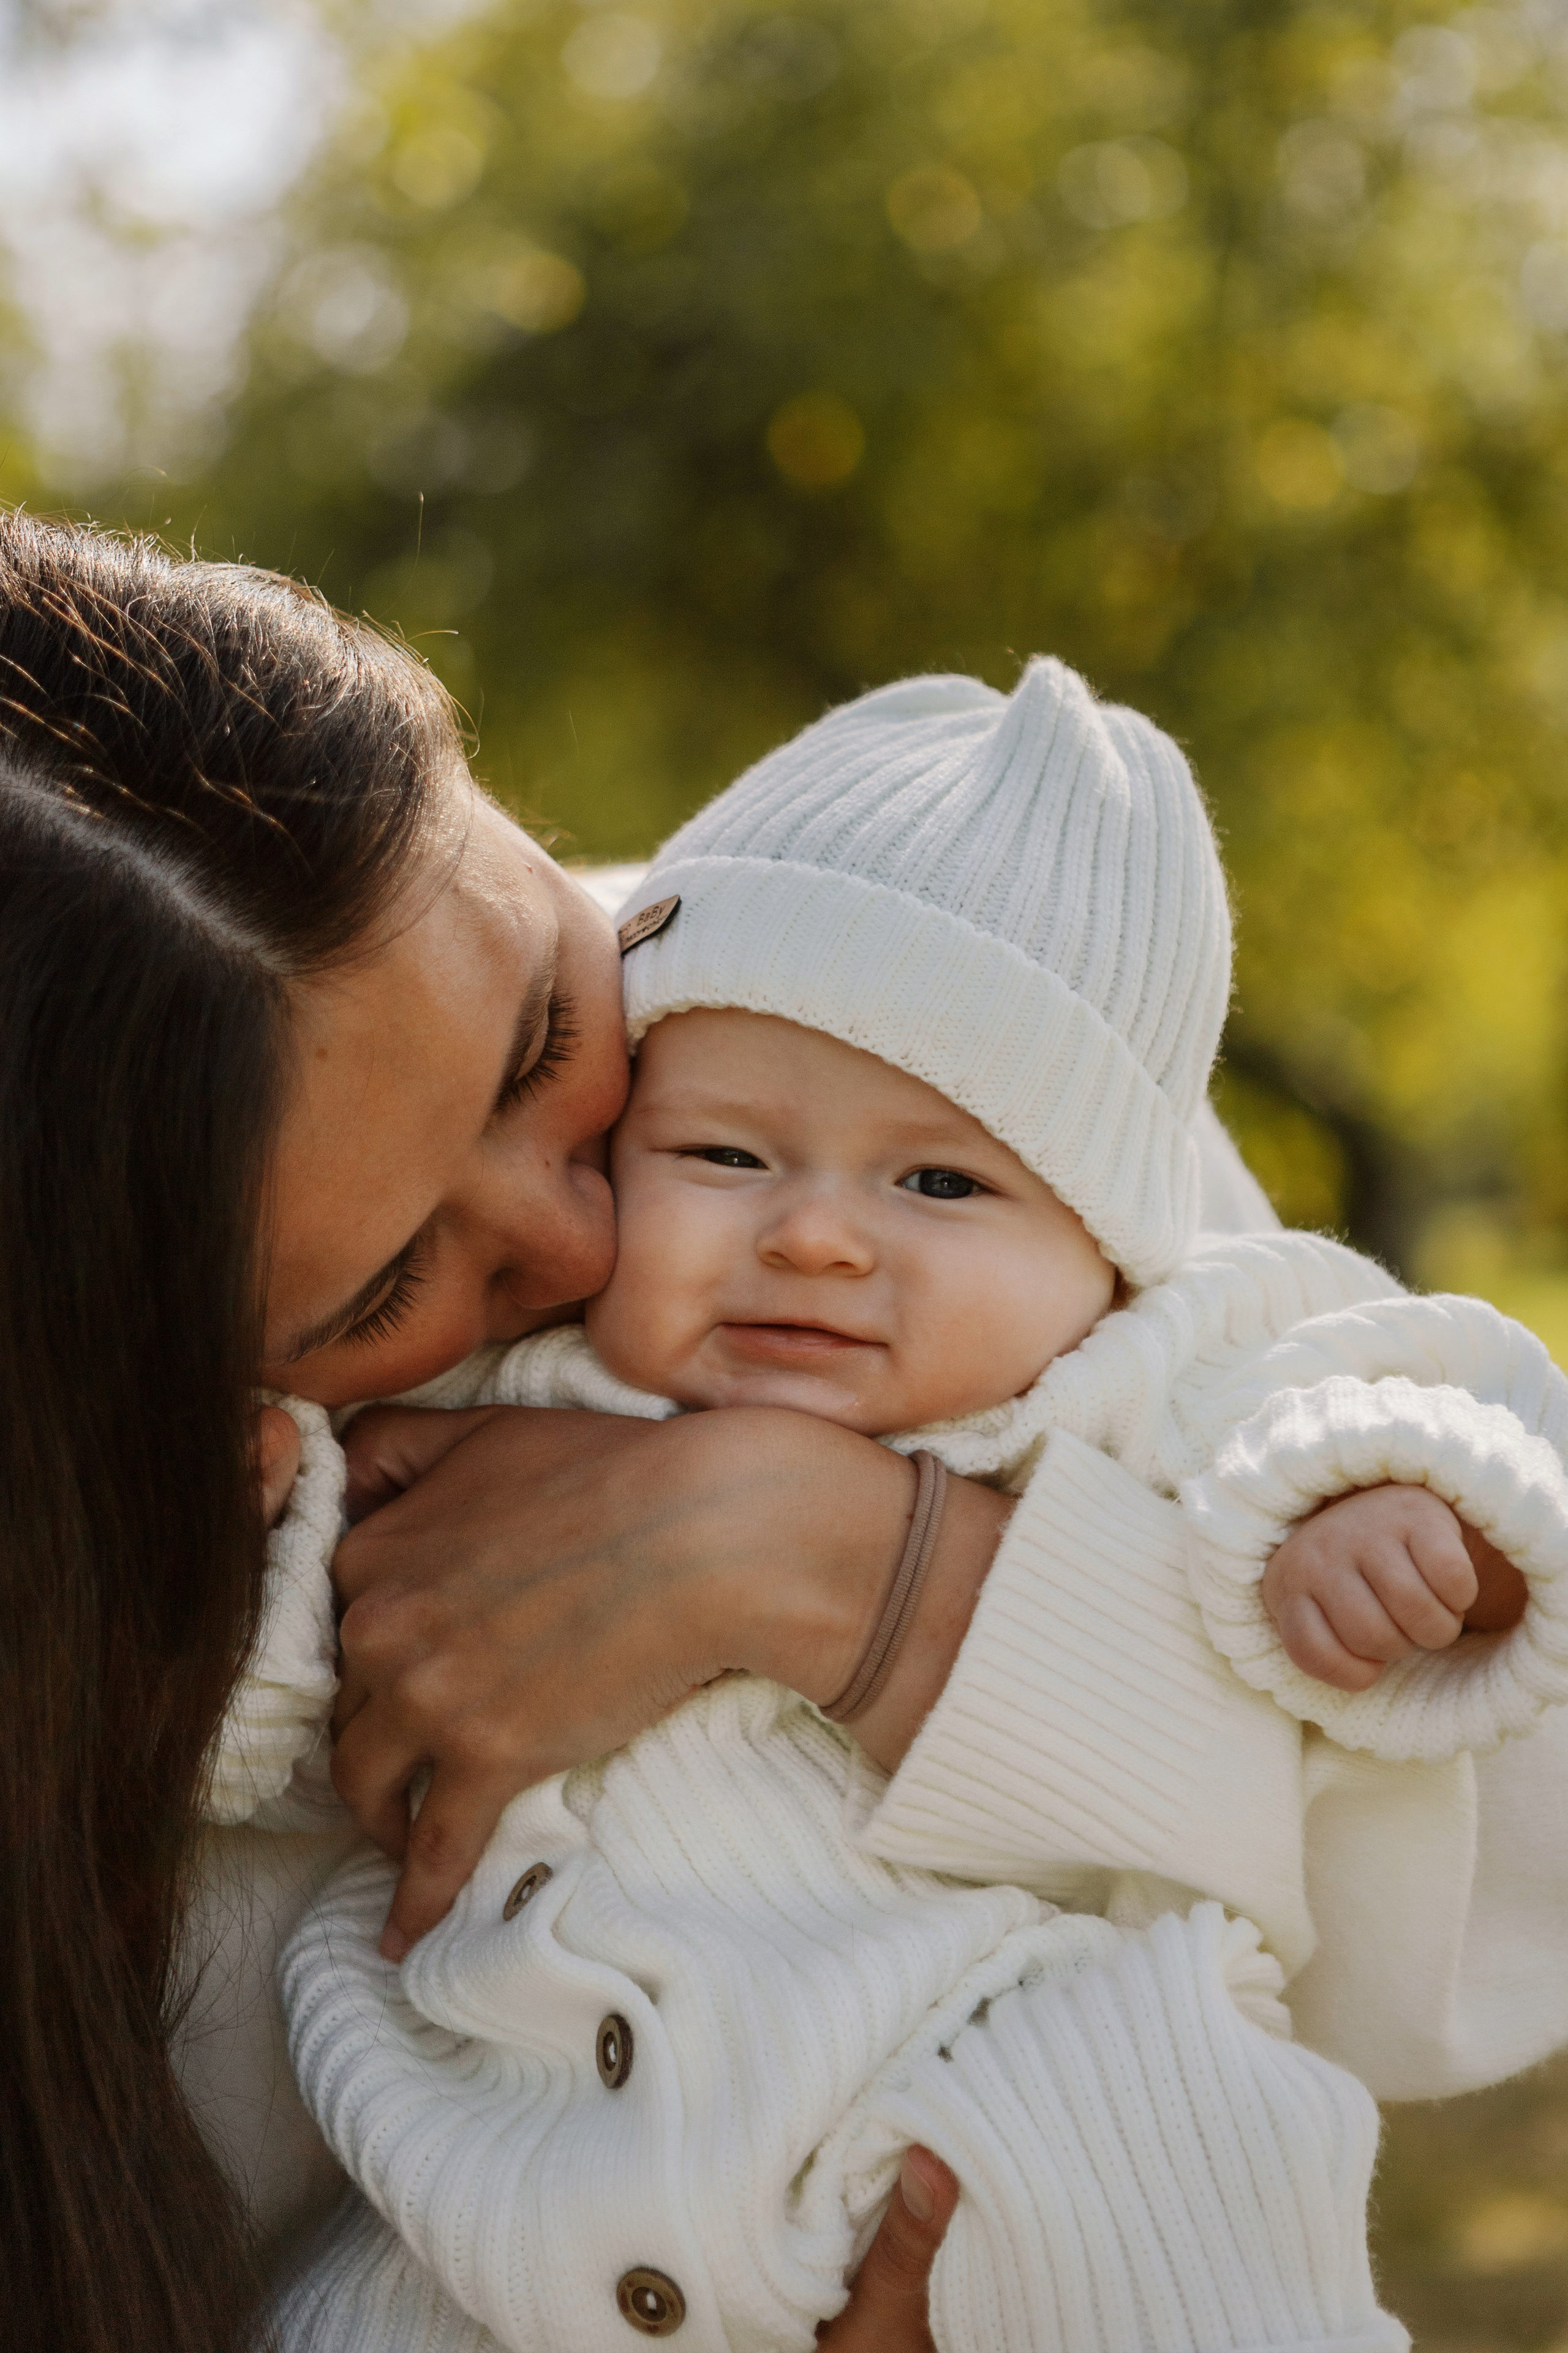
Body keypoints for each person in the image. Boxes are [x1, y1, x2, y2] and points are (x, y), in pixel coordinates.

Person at [255, 663, 1568, 2349]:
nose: (814, 1235)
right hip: (506, 2169)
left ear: (1110, 1247)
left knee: (1173, 2145)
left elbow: (1411, 1399)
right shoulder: (507, 1376)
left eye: (940, 1183)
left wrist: (1394, 1522)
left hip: (976, 2075)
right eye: (723, 1157)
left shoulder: (1135, 1364)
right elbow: (290, 1643)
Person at [0, 510, 962, 2353]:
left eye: (540, 1038)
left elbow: (1481, 1872)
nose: (584, 1242)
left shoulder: (930, 1067)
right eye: (383, 1288)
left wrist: (860, 1569)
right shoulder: (179, 1778)